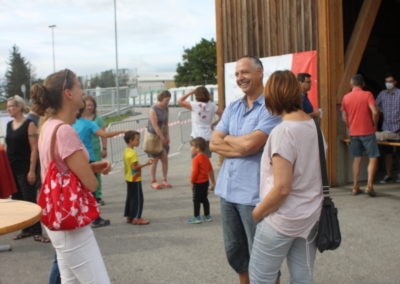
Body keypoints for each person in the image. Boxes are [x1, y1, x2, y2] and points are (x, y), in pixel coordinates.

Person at [32, 69, 111, 283]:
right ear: (67, 93)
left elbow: (59, 168)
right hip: (71, 223)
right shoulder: (65, 131)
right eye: (78, 86)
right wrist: (91, 171)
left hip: (57, 216)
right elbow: (91, 185)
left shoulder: (48, 126)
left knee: (70, 280)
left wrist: (91, 166)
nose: (82, 92)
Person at [210, 56, 281, 284]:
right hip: (227, 192)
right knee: (236, 255)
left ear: (260, 72)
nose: (240, 78)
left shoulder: (272, 108)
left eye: (245, 72)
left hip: (254, 195)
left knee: (262, 258)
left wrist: (229, 140)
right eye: (238, 74)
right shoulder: (233, 107)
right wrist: (240, 145)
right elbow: (213, 143)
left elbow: (252, 145)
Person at [248, 70, 323, 284]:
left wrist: (256, 214)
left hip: (281, 220)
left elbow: (282, 188)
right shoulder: (314, 127)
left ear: (273, 96)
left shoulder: (283, 132)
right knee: (303, 276)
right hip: (311, 216)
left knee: (261, 278)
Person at [73, 103, 125, 228]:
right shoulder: (88, 123)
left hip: (75, 161)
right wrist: (124, 131)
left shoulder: (68, 124)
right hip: (89, 159)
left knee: (79, 190)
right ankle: (95, 218)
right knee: (92, 190)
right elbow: (105, 134)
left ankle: (80, 217)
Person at [5, 95, 49, 243]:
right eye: (8, 106)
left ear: (19, 107)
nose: (9, 109)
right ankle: (26, 229)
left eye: (11, 106)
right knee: (18, 200)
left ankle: (37, 231)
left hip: (25, 168)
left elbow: (34, 149)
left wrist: (32, 170)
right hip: (12, 168)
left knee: (30, 200)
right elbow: (8, 146)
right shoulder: (9, 124)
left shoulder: (29, 124)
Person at [341, 74, 379, 196]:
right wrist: (374, 125)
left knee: (357, 159)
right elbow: (375, 112)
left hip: (354, 133)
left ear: (351, 84)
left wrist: (350, 126)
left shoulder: (346, 97)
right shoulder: (368, 95)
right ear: (363, 84)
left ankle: (355, 186)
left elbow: (343, 117)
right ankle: (369, 185)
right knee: (373, 157)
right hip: (368, 131)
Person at [178, 86, 223, 157]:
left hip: (197, 135)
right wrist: (215, 123)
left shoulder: (193, 105)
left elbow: (180, 101)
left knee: (196, 159)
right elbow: (223, 115)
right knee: (206, 159)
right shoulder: (212, 105)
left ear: (196, 95)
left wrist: (190, 92)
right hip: (208, 135)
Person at [81, 95, 107, 205]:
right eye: (87, 105)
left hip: (95, 150)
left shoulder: (98, 119)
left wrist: (104, 148)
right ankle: (85, 195)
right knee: (84, 174)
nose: (89, 107)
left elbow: (103, 135)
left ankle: (97, 195)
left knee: (97, 173)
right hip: (82, 151)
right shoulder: (79, 119)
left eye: (91, 105)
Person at [123, 131, 153, 225]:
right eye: (137, 140)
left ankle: (130, 216)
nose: (138, 141)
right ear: (130, 141)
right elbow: (135, 167)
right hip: (135, 179)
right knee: (139, 198)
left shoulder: (126, 150)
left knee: (130, 198)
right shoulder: (133, 153)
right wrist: (146, 163)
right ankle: (137, 217)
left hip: (129, 178)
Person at [376, 74, 400, 183]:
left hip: (398, 128)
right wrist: (381, 111)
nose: (388, 84)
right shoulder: (382, 94)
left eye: (390, 81)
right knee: (388, 153)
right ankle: (388, 174)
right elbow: (375, 107)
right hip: (386, 128)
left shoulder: (399, 94)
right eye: (386, 81)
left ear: (395, 82)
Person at [187, 137, 216, 224]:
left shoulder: (196, 159)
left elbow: (195, 172)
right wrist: (213, 181)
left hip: (198, 183)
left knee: (196, 200)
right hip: (205, 182)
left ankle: (197, 217)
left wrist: (192, 182)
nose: (190, 148)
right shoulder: (206, 157)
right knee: (204, 199)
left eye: (192, 146)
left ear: (197, 148)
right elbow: (210, 169)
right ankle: (207, 215)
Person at [147, 90, 172, 189]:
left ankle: (164, 179)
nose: (168, 102)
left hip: (164, 136)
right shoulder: (153, 109)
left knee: (165, 158)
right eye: (166, 100)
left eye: (169, 100)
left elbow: (166, 124)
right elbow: (155, 126)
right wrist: (162, 138)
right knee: (155, 160)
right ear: (161, 99)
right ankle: (153, 181)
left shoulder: (166, 108)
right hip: (155, 137)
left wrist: (168, 136)